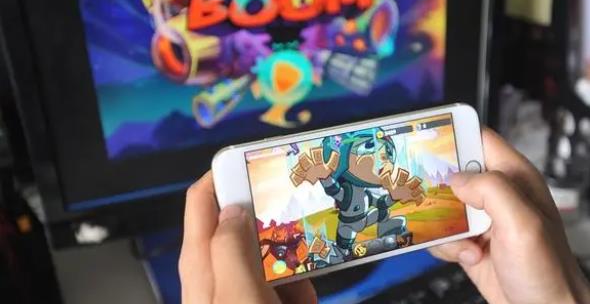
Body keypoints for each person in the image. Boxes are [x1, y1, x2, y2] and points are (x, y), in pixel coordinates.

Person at [178, 129, 590, 304]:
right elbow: (329, 184)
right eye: (367, 153)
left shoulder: (381, 183)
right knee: (347, 236)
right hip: (350, 226)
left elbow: (396, 192)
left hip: (374, 220)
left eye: (382, 153)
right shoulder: (342, 183)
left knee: (391, 225)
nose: (378, 159)